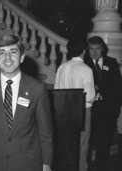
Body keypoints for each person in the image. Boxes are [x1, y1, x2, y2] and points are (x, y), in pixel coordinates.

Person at [0, 35, 53, 171]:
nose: (7, 58)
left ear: (22, 57)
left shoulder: (37, 88)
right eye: (2, 52)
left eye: (13, 52)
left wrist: (47, 163)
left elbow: (45, 131)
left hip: (28, 163)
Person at [54, 38, 95, 171]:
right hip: (82, 111)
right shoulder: (86, 69)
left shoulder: (62, 67)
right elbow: (89, 97)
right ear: (85, 50)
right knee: (82, 145)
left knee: (66, 144)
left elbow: (57, 91)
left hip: (63, 111)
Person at [85, 36, 122, 171]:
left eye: (98, 48)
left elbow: (118, 88)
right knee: (87, 143)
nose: (94, 52)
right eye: (91, 49)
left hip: (108, 112)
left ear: (103, 49)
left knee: (104, 143)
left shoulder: (111, 62)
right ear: (87, 50)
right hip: (89, 111)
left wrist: (115, 110)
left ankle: (102, 167)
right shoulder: (84, 64)